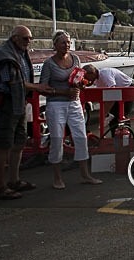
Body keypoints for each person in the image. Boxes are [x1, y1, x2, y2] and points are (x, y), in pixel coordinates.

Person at [0, 25, 53, 200]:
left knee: (18, 143)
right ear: (14, 38)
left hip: (18, 103)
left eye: (30, 38)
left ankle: (14, 180)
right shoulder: (5, 56)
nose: (28, 41)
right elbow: (13, 82)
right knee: (2, 145)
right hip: (6, 104)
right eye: (25, 38)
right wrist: (38, 87)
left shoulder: (19, 53)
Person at [40, 30, 102, 190]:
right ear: (55, 45)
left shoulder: (75, 59)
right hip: (56, 104)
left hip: (74, 103)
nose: (66, 45)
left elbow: (78, 79)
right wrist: (62, 92)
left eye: (68, 42)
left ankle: (85, 174)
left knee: (81, 137)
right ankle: (57, 178)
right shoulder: (49, 64)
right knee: (57, 139)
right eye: (63, 42)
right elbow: (42, 88)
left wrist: (81, 85)